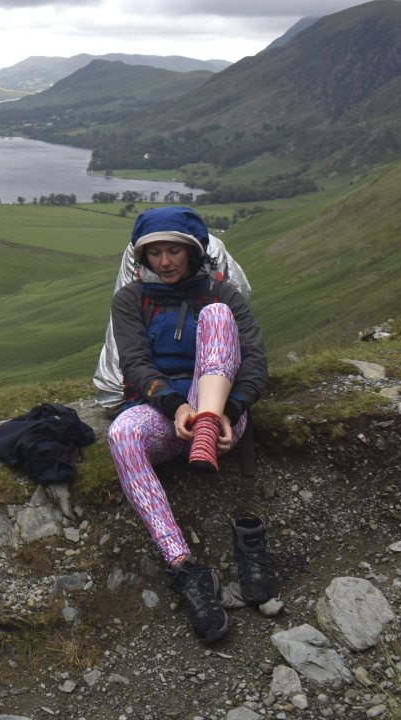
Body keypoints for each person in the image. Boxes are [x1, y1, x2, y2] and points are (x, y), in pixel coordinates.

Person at [101, 206, 275, 644]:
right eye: (155, 252)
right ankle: (183, 564)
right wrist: (175, 406)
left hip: (220, 414)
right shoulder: (130, 300)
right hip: (169, 414)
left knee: (216, 316)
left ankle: (208, 429)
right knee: (122, 433)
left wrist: (229, 413)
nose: (165, 261)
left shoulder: (224, 293)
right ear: (142, 258)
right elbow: (136, 365)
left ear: (193, 251)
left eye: (174, 250)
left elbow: (254, 363)